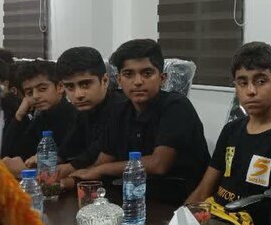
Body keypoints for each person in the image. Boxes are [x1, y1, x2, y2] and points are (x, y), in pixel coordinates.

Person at [184, 42, 271, 225]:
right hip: (215, 216)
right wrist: (180, 219)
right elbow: (204, 189)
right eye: (242, 83)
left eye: (261, 81)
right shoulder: (231, 130)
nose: (250, 91)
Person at [70, 39, 209, 206]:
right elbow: (102, 162)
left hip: (179, 201)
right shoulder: (118, 111)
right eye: (128, 74)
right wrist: (72, 181)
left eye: (147, 73)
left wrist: (101, 170)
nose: (137, 82)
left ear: (162, 79)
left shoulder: (176, 106)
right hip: (133, 198)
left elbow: (159, 165)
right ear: (119, 80)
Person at [54, 47, 126, 185]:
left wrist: (71, 172)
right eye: (70, 87)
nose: (78, 95)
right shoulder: (83, 109)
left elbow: (101, 154)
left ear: (105, 81)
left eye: (85, 84)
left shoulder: (122, 108)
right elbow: (67, 148)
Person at [1, 60, 77, 173]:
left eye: (42, 89)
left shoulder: (75, 116)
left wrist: (24, 171)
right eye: (29, 93)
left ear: (60, 87)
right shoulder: (41, 118)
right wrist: (19, 115)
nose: (35, 96)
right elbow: (7, 153)